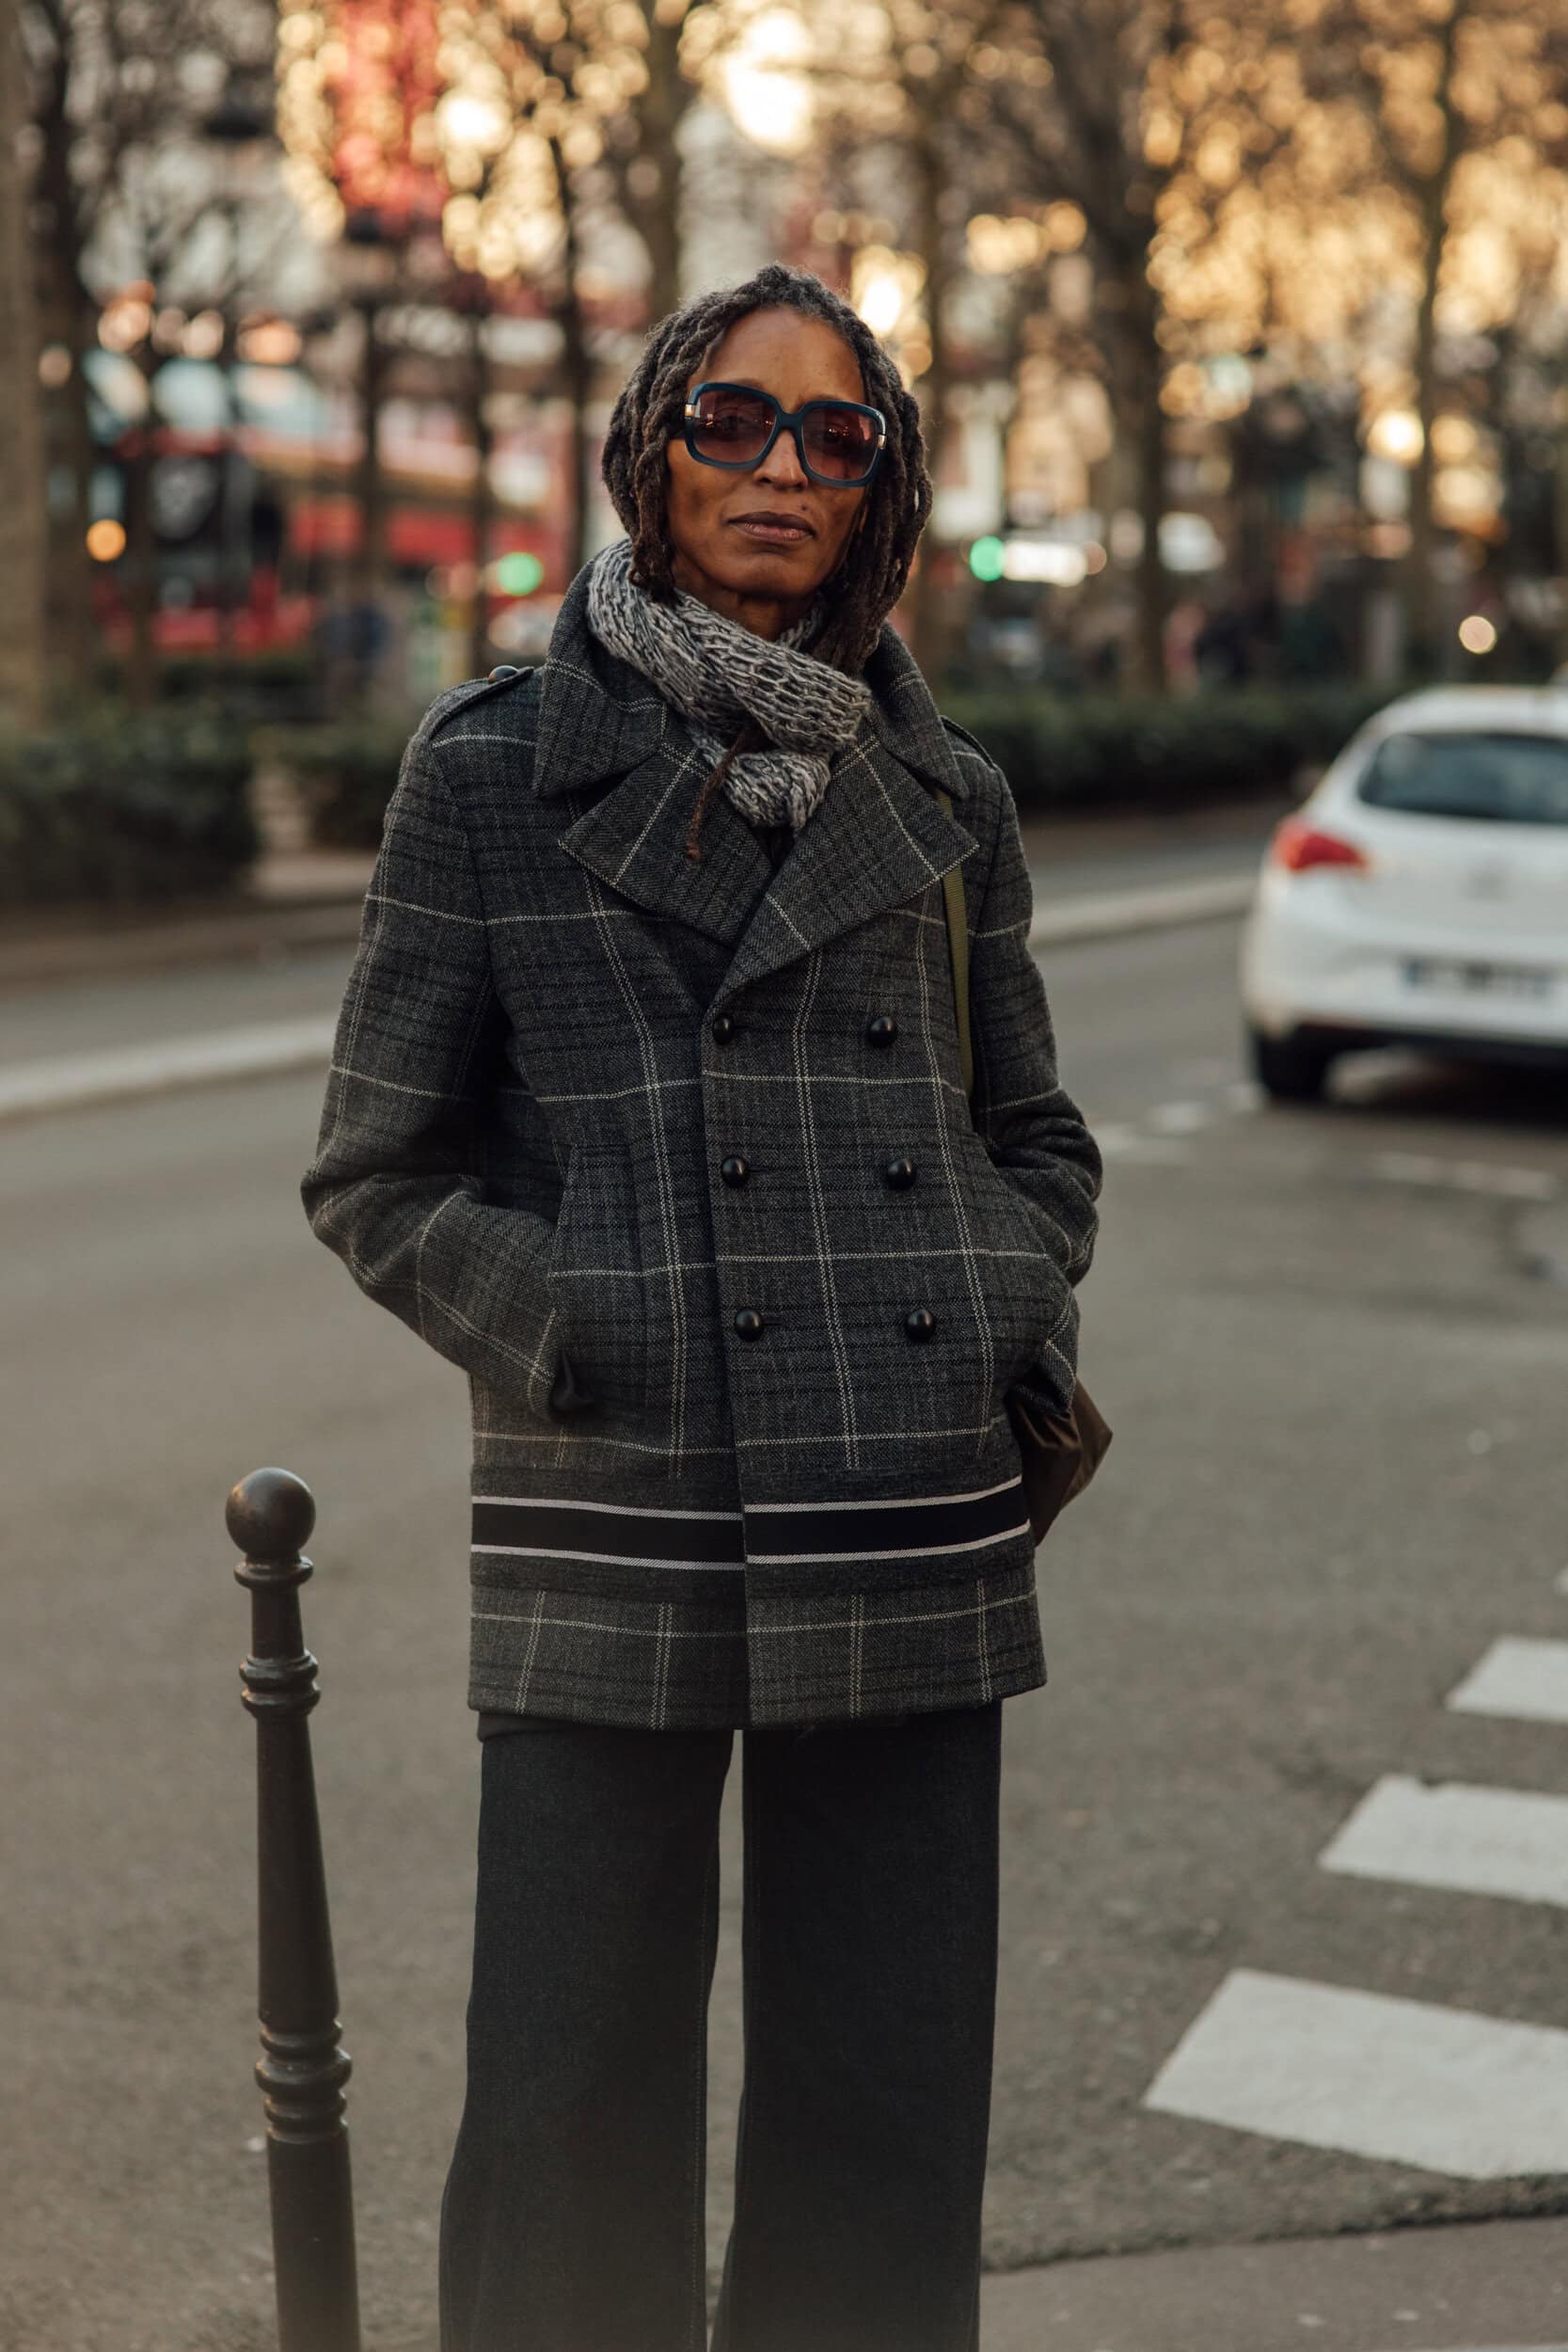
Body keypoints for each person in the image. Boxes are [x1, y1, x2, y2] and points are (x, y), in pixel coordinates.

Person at [301, 261, 1102, 2352]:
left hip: (911, 1502)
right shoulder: (491, 770)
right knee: (571, 2099)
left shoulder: (950, 801)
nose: (780, 465)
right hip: (616, 1494)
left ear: (885, 490)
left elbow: (1045, 1136)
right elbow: (377, 1171)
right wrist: (588, 1317)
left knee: (882, 2110)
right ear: (652, 452)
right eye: (733, 420)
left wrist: (986, 1284)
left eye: (836, 435)